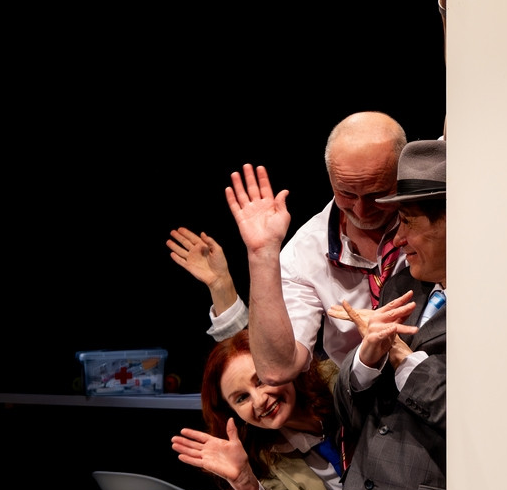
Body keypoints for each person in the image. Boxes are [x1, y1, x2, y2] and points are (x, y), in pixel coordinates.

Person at [317, 139, 447, 490]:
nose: (398, 238)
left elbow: (476, 415)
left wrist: (399, 356)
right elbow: (347, 410)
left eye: (410, 221)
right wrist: (366, 360)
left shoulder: (502, 307)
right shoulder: (404, 285)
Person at [167, 110, 409, 382]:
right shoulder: (305, 252)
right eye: (346, 193)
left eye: (377, 194)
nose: (362, 211)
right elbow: (277, 369)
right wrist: (261, 254)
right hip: (360, 395)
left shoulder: (434, 224)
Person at [169, 329, 354, 490]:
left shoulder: (341, 376)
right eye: (241, 398)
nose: (259, 401)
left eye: (261, 380)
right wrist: (247, 487)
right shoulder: (267, 459)